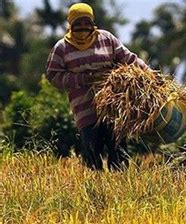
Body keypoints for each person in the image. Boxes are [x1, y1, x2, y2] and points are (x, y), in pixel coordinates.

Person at [46, 3, 149, 170]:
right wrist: (84, 79)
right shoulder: (62, 48)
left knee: (119, 152)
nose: (82, 26)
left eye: (86, 22)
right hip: (84, 109)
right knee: (92, 154)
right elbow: (53, 75)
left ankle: (119, 188)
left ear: (92, 22)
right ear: (70, 25)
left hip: (112, 107)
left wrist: (150, 73)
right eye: (77, 23)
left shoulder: (106, 39)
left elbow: (129, 59)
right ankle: (95, 191)